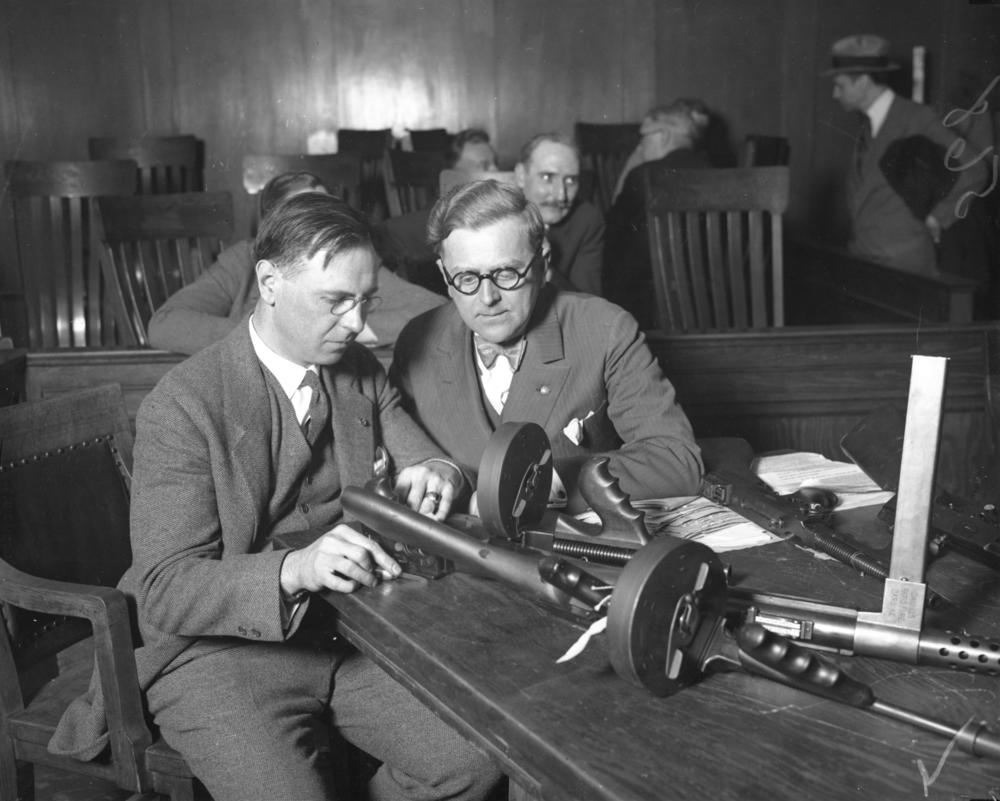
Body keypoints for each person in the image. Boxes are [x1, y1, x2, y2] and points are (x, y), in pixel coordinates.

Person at [50, 193, 502, 801]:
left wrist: (438, 472)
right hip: (214, 655)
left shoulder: (356, 366)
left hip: (344, 635)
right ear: (268, 283)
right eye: (336, 302)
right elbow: (164, 589)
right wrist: (294, 568)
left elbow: (422, 454)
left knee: (475, 763)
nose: (359, 324)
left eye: (364, 301)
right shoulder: (184, 404)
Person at [389, 180, 702, 515]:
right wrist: (447, 472)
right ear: (444, 275)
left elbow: (675, 461)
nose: (488, 298)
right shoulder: (417, 341)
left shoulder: (604, 328)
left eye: (506, 273)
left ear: (542, 263)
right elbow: (402, 453)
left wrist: (546, 484)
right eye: (466, 278)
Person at [147, 170, 445, 354]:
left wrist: (342, 330)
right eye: (305, 217)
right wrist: (274, 340)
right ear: (271, 226)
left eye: (327, 214)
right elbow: (166, 325)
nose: (321, 227)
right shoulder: (245, 259)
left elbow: (433, 311)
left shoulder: (347, 261)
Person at [825, 34, 987, 275]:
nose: (835, 94)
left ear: (862, 83)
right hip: (865, 261)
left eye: (840, 85)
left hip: (903, 269)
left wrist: (938, 217)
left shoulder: (916, 118)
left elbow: (976, 169)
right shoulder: (868, 127)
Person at [603, 103, 713, 328]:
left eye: (643, 138)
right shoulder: (723, 173)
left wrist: (632, 166)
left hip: (653, 310)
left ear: (662, 135)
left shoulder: (643, 176)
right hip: (714, 305)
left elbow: (611, 232)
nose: (640, 146)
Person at [373, 128, 499, 288]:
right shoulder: (432, 219)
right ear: (452, 171)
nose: (495, 171)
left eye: (496, 163)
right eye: (485, 165)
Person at [514, 133, 604, 296]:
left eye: (570, 181)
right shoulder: (496, 217)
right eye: (547, 177)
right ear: (521, 176)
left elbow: (589, 303)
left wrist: (543, 269)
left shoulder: (586, 220)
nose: (561, 195)